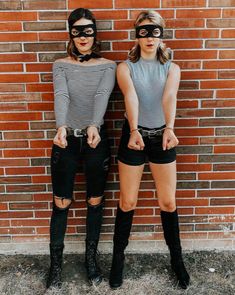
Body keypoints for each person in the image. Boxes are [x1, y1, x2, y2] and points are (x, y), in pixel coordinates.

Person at [109, 10, 190, 290]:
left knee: (168, 202)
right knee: (127, 202)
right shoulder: (125, 67)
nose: (149, 38)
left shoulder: (172, 67)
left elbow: (169, 96)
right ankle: (117, 260)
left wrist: (169, 128)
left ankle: (177, 260)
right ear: (136, 35)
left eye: (154, 31)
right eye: (143, 31)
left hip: (162, 137)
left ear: (161, 35)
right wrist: (133, 130)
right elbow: (131, 96)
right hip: (134, 136)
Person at [47, 7, 116, 289]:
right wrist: (60, 126)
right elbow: (61, 94)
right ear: (70, 34)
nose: (83, 37)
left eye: (88, 30)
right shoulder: (60, 65)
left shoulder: (108, 65)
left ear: (95, 34)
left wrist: (94, 124)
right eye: (77, 31)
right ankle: (55, 267)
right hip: (67, 140)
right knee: (61, 202)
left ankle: (91, 260)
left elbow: (101, 95)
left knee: (94, 201)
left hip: (95, 140)